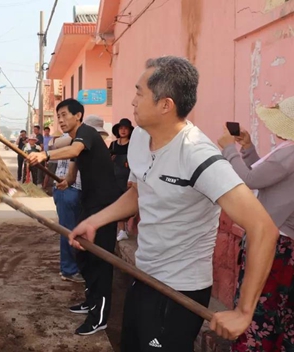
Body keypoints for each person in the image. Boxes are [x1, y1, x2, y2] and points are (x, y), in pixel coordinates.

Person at [68, 56, 279, 351]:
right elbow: (142, 191)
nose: (133, 100)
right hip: (144, 277)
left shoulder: (198, 155)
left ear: (165, 105)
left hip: (180, 291)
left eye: (139, 93)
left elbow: (263, 228)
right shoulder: (142, 137)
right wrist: (95, 221)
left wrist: (244, 312)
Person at [27, 99, 121, 336]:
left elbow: (75, 151)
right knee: (83, 253)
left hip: (105, 206)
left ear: (78, 116)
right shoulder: (76, 140)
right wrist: (66, 181)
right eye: (58, 116)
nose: (60, 119)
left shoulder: (86, 133)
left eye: (64, 115)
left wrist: (45, 155)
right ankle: (91, 301)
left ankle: (99, 317)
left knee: (99, 260)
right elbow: (74, 165)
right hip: (89, 204)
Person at [217, 96, 294, 351]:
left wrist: (229, 149)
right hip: (282, 242)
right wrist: (247, 149)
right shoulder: (287, 151)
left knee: (259, 307)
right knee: (279, 312)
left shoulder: (290, 153)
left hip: (275, 243)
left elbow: (248, 179)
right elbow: (263, 176)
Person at [52, 135, 84, 283]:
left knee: (74, 230)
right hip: (67, 189)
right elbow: (56, 144)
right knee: (68, 231)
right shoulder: (70, 140)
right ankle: (69, 270)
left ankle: (73, 267)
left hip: (74, 190)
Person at [109, 118, 134, 242]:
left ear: (129, 130)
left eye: (126, 128)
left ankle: (127, 228)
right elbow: (108, 161)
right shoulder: (113, 145)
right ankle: (122, 230)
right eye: (121, 128)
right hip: (115, 178)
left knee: (129, 204)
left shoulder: (133, 145)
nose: (123, 131)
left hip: (128, 178)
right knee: (117, 203)